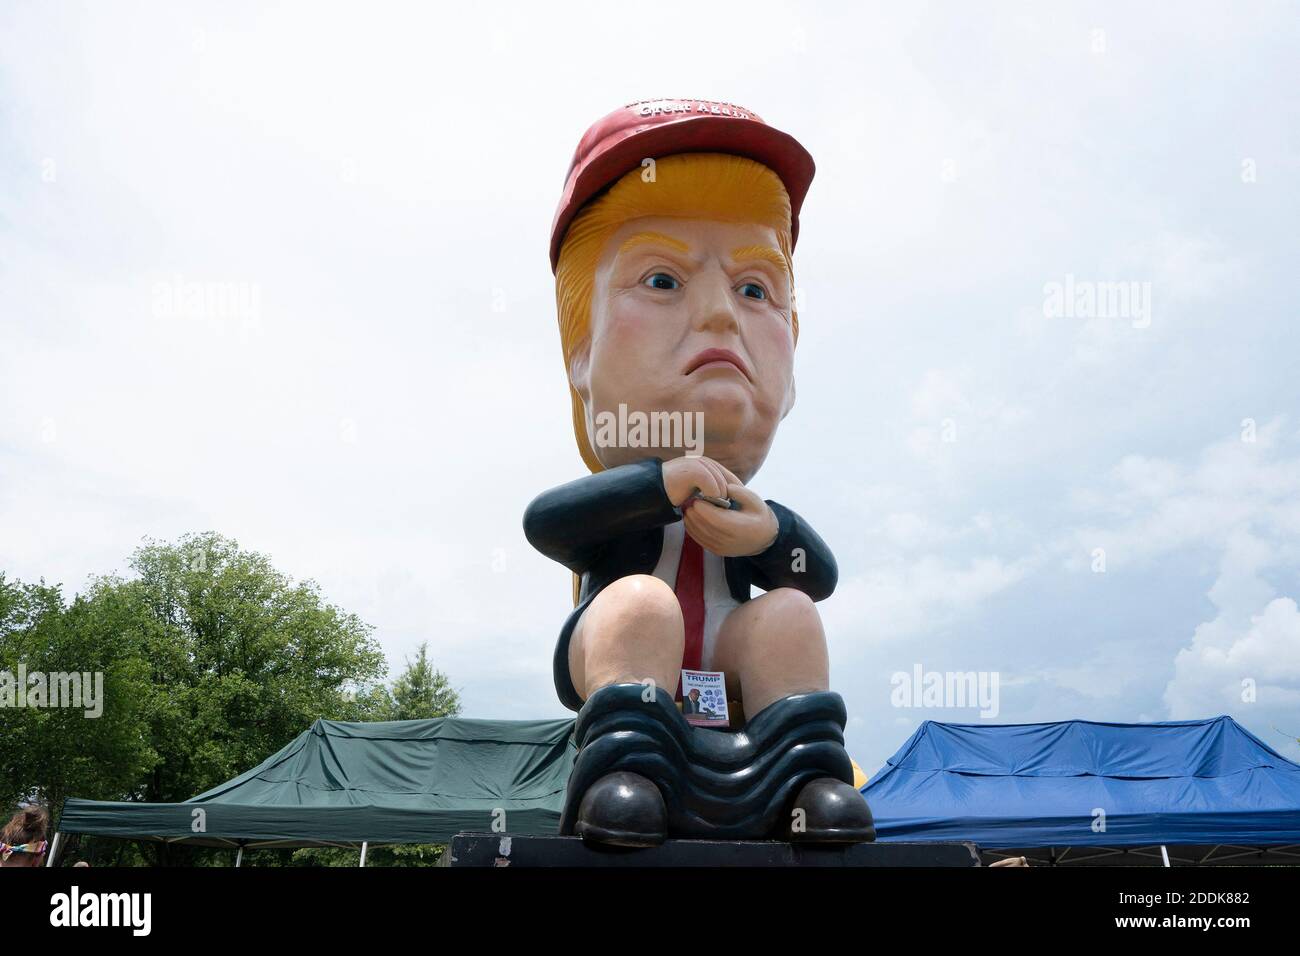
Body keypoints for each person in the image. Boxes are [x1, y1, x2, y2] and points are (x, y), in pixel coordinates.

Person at [525, 98, 875, 846]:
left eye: (756, 289)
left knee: (787, 616)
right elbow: (546, 523)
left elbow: (817, 576)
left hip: (727, 646)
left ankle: (808, 777)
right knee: (639, 604)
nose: (721, 312)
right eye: (662, 280)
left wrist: (771, 531)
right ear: (581, 350)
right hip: (619, 648)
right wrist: (657, 485)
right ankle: (628, 773)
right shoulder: (625, 497)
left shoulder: (746, 503)